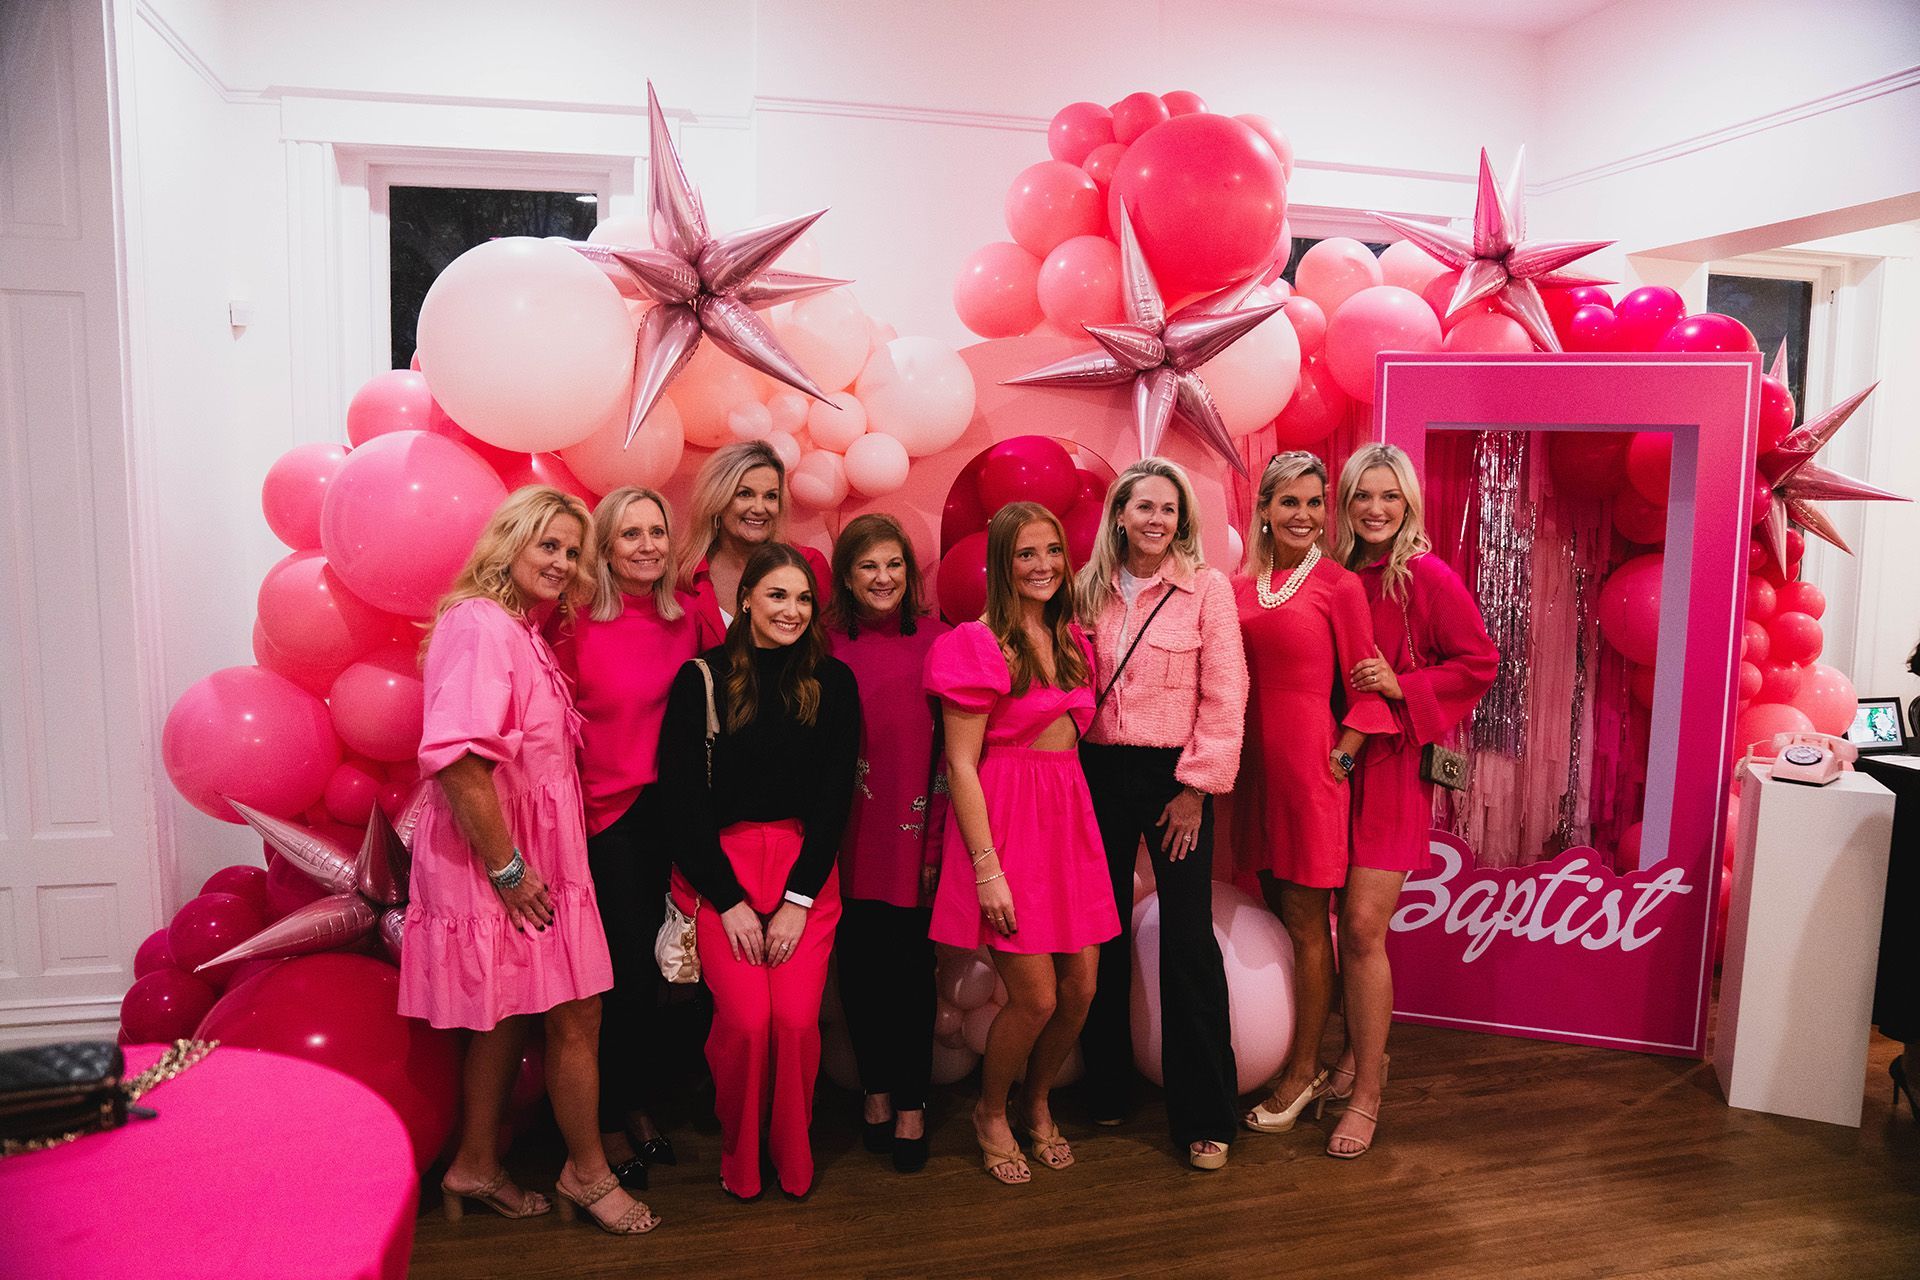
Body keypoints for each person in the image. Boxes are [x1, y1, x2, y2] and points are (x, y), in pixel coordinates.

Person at [399, 485, 657, 1236]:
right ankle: (586, 1171)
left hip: (527, 854)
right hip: (505, 860)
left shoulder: (517, 627)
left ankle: (475, 1164)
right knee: (580, 1011)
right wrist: (510, 871)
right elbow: (457, 762)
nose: (563, 561)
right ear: (507, 542)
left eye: (573, 551)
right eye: (548, 544)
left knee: (505, 1017)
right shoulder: (481, 625)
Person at [656, 544, 860, 1201]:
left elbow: (834, 802)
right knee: (746, 1024)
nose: (792, 611)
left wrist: (799, 899)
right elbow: (680, 805)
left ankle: (791, 1155)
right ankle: (740, 1154)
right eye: (777, 595)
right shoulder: (702, 680)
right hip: (722, 871)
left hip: (806, 871)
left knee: (796, 1023)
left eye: (803, 599)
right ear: (745, 599)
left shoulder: (835, 683)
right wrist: (730, 900)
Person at [925, 501, 1119, 1186]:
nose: (1042, 567)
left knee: (1081, 989)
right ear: (1002, 564)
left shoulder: (1070, 638)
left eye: (1052, 552)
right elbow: (961, 766)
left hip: (1068, 820)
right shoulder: (975, 644)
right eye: (1026, 554)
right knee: (1033, 995)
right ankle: (991, 1111)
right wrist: (987, 870)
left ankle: (1037, 1102)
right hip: (1007, 825)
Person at [1075, 459, 1247, 1169]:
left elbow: (1226, 695)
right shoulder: (1086, 592)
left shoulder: (1205, 590)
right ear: (1119, 515)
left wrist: (1197, 788)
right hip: (1096, 772)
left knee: (1185, 941)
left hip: (1175, 776)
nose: (1156, 520)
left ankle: (1206, 1114)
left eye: (1169, 510)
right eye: (1143, 506)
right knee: (1101, 933)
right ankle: (1106, 1083)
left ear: (1183, 521)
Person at [1330, 444, 1497, 1158]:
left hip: (1393, 770)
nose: (1375, 509)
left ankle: (1369, 1091)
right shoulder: (1332, 576)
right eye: (1363, 495)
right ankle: (1351, 1056)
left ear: (1409, 506)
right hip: (1330, 765)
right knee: (1329, 926)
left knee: (1364, 928)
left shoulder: (1425, 576)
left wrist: (1405, 685)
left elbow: (1479, 662)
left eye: (1388, 497)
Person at [1231, 452, 1396, 1144]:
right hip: (1250, 775)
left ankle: (1302, 1073)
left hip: (1308, 775)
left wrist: (1340, 759)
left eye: (1313, 502)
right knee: (1282, 908)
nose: (1302, 515)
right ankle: (1314, 1061)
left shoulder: (1338, 586)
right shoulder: (1239, 588)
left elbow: (1366, 693)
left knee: (1308, 924)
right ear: (1264, 509)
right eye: (1288, 502)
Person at [548, 486, 703, 1188]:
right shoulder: (574, 623)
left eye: (657, 532)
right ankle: (607, 1119)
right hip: (605, 818)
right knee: (626, 980)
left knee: (679, 975)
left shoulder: (690, 616)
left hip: (676, 812)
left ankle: (639, 1104)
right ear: (605, 547)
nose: (646, 545)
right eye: (630, 534)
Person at [826, 514, 952, 1174]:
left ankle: (911, 1103)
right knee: (860, 974)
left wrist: (934, 846)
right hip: (842, 842)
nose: (883, 578)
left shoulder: (941, 642)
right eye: (869, 566)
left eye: (894, 565)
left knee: (911, 976)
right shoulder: (823, 644)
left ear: (911, 573)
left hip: (913, 840)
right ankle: (875, 1090)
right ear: (847, 575)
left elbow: (953, 759)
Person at [674, 439, 830, 647]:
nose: (759, 507)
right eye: (745, 494)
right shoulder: (683, 574)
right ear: (717, 500)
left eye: (770, 496)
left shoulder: (808, 564)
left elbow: (822, 650)